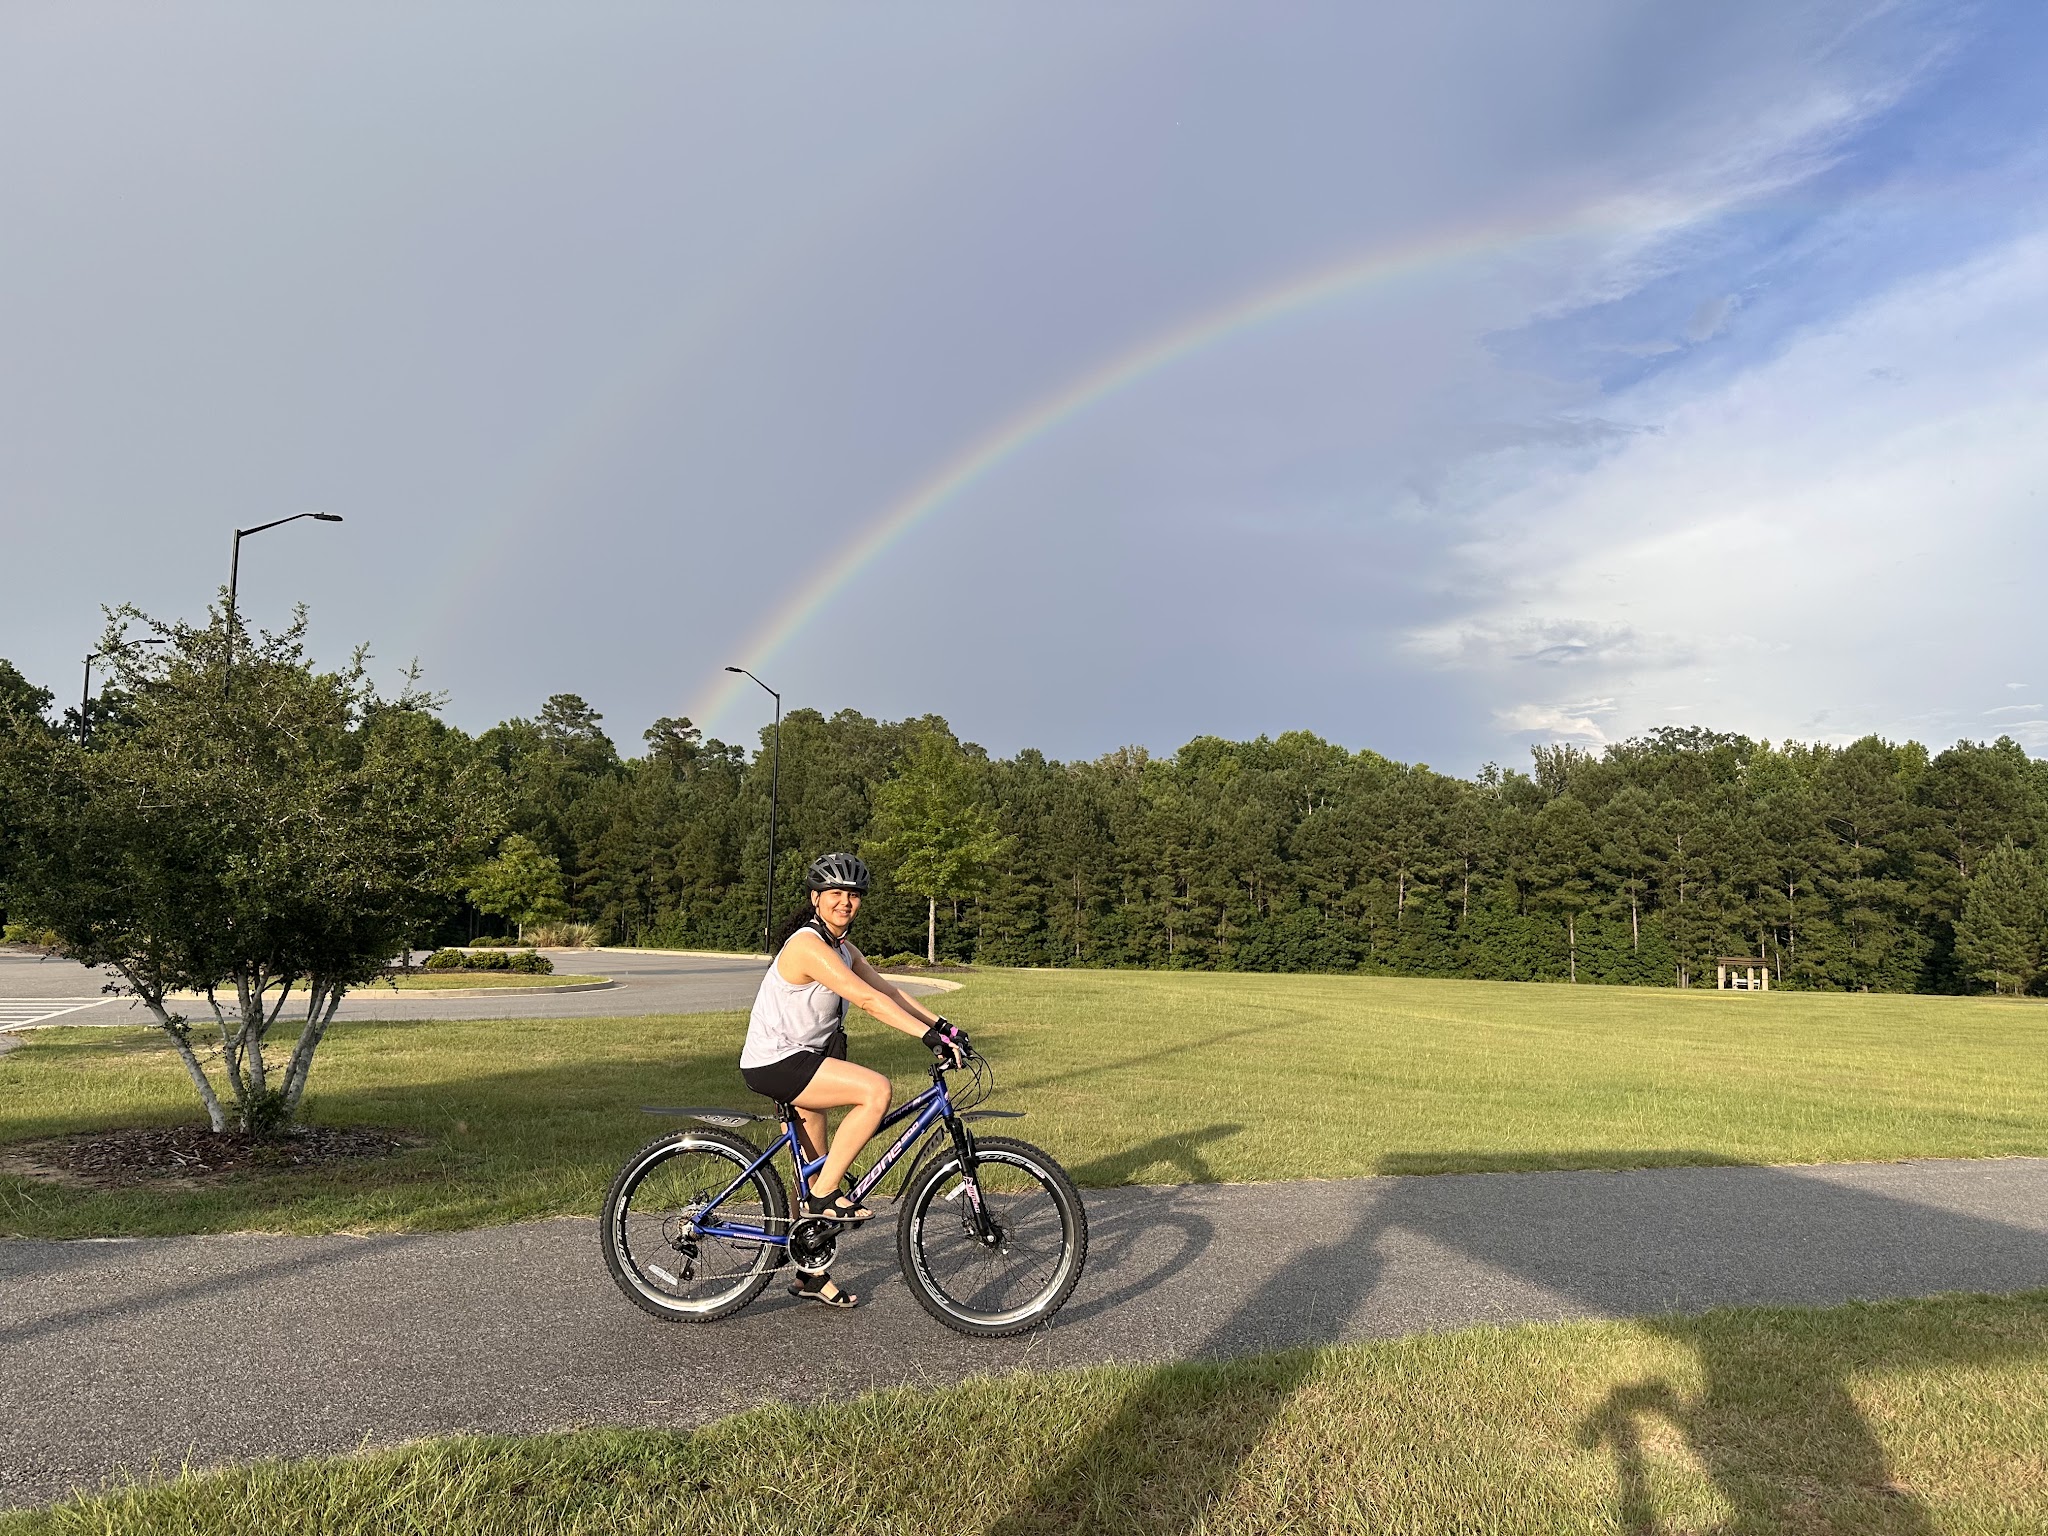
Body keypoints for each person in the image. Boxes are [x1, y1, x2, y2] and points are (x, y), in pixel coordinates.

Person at [739, 851, 970, 1309]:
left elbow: (888, 989)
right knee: (875, 1090)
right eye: (835, 894)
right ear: (815, 899)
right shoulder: (807, 945)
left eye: (852, 895)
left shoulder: (842, 948)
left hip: (802, 1061)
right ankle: (827, 1197)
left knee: (814, 1169)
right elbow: (865, 1000)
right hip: (778, 1062)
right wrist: (925, 1036)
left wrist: (943, 1025)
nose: (844, 902)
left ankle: (810, 1272)